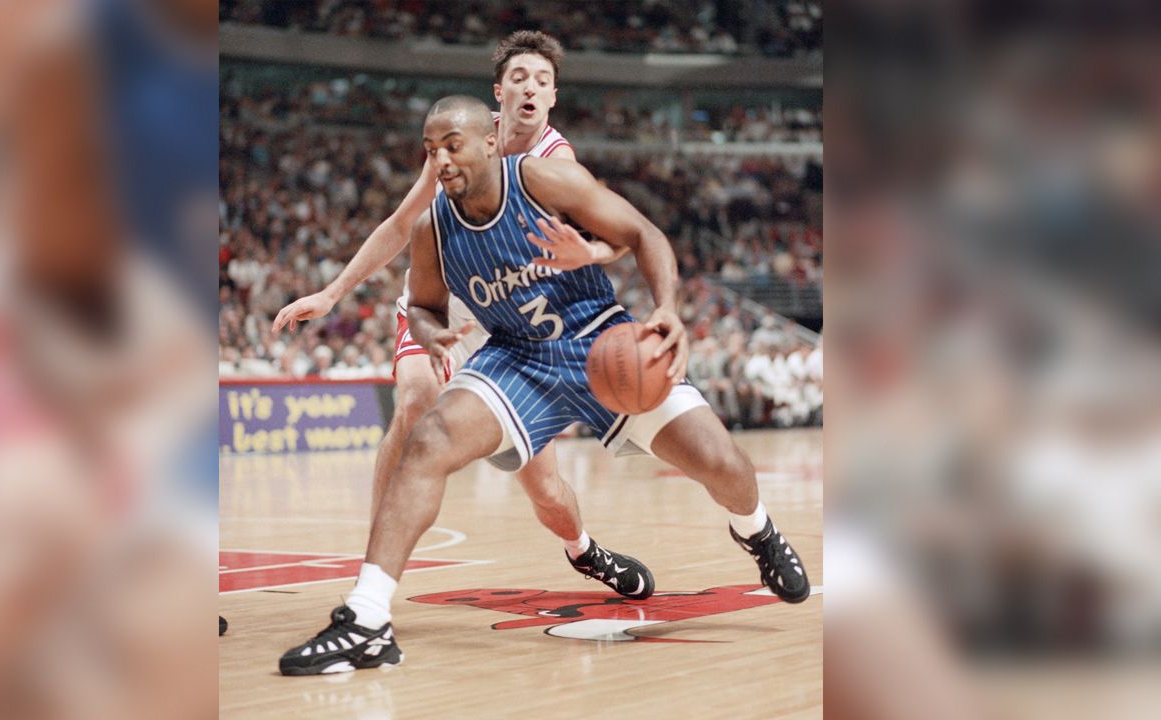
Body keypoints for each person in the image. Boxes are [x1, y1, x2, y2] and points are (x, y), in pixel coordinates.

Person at [278, 96, 811, 676]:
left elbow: (644, 232)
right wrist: (430, 333)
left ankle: (756, 532)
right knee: (427, 438)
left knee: (723, 463)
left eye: (452, 146)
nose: (441, 161)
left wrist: (667, 309)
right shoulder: (434, 224)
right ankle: (366, 618)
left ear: (490, 141)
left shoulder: (540, 179)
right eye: (431, 151)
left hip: (599, 344)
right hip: (517, 359)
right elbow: (426, 305)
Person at [273, 31, 650, 601]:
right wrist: (332, 293)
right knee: (416, 400)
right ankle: (373, 575)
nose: (531, 88)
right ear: (498, 94)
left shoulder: (556, 161)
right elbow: (403, 224)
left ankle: (583, 548)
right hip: (439, 305)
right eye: (520, 78)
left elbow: (605, 240)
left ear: (551, 99)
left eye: (543, 81)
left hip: (509, 328)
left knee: (545, 488)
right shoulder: (458, 145)